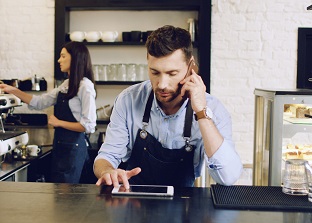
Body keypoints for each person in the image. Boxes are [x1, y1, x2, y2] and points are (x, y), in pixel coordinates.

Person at [94, 25, 242, 189]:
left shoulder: (213, 108)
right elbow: (106, 157)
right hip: (133, 203)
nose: (162, 85)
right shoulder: (128, 100)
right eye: (155, 72)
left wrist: (201, 113)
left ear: (190, 66)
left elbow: (228, 177)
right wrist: (107, 171)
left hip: (184, 208)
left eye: (172, 73)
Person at [0, 41, 97, 183]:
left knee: (67, 199)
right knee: (59, 197)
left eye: (63, 56)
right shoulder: (66, 85)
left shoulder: (85, 87)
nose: (59, 60)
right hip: (61, 146)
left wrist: (59, 123)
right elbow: (39, 102)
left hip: (73, 149)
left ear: (75, 58)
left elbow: (88, 126)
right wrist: (12, 90)